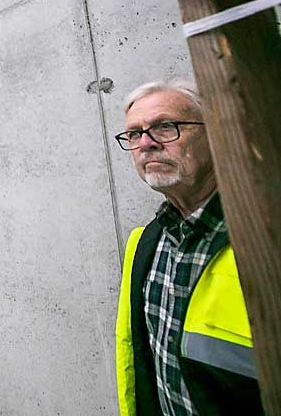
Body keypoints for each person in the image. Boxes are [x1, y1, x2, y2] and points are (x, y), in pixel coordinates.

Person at [114, 81, 262, 415]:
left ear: (216, 134)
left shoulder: (263, 237)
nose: (147, 144)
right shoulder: (144, 244)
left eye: (166, 127)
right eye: (134, 134)